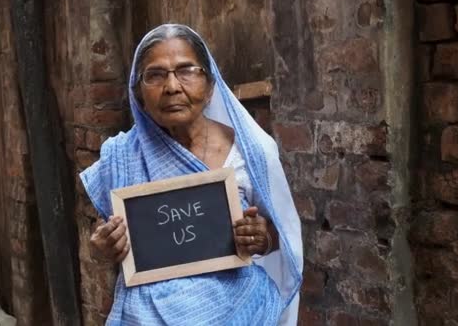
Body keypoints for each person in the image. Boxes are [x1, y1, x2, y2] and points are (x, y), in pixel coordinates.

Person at [80, 24, 303, 325]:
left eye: (186, 70)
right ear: (139, 93)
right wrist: (103, 246)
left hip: (239, 310)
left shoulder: (251, 151)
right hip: (145, 316)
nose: (172, 86)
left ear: (210, 86)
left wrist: (261, 237)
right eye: (155, 75)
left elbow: (281, 235)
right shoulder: (121, 156)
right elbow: (105, 231)